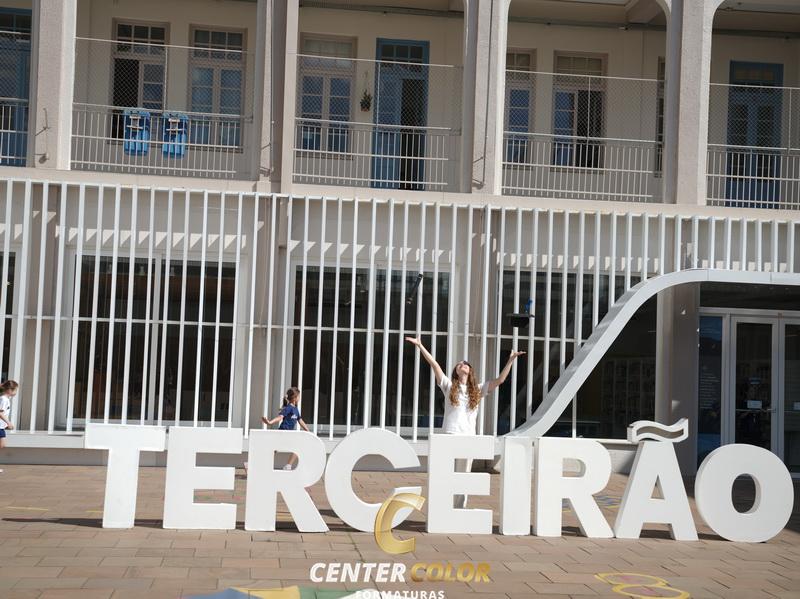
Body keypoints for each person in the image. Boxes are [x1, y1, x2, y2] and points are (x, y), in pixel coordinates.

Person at [405, 337, 524, 508]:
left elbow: (500, 380)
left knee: (463, 475)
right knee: (445, 473)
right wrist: (420, 345)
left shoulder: (477, 389)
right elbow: (435, 365)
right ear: (456, 371)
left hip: (468, 437)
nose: (463, 364)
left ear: (470, 371)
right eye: (460, 364)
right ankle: (442, 507)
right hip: (449, 435)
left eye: (466, 364)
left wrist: (511, 360)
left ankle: (459, 509)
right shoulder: (448, 386)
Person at [261, 387, 310, 470]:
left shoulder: (295, 409)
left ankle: (288, 466)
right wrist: (270, 422)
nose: (299, 398)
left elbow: (300, 420)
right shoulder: (288, 408)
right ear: (294, 397)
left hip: (289, 434)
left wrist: (308, 431)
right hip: (282, 433)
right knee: (273, 451)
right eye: (299, 396)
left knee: (297, 448)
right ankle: (254, 463)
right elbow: (280, 417)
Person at [0, 380, 18, 473]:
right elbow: (0, 413)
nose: (16, 392)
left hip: (1, 427)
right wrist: (8, 423)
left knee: (2, 445)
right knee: (2, 444)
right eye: (15, 390)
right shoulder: (4, 399)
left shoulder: (5, 399)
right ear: (10, 390)